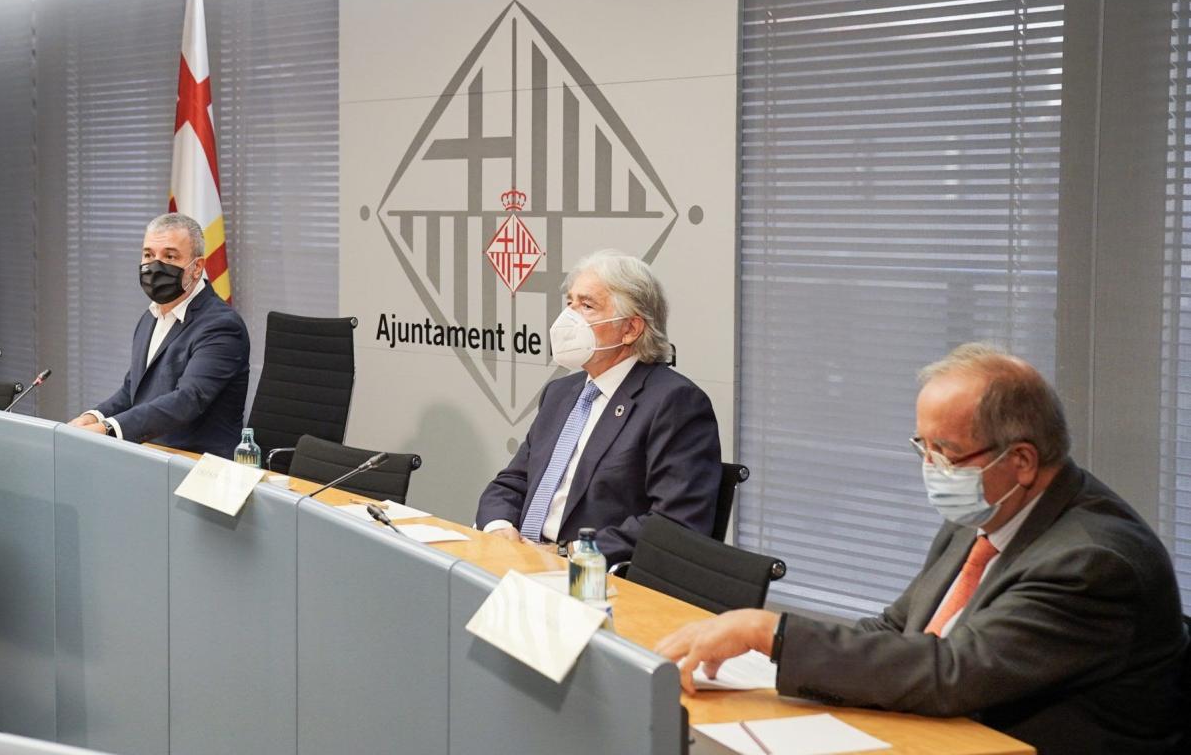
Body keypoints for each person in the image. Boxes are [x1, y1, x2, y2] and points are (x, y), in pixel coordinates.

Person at [655, 344, 1186, 755]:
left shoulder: (1093, 562)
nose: (931, 468)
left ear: (1021, 460)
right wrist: (770, 650)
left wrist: (769, 633)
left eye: (946, 451)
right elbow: (896, 631)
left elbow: (953, 672)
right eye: (922, 446)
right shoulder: (985, 509)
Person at [474, 250, 720, 567]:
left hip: (596, 579)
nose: (569, 319)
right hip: (523, 562)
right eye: (570, 304)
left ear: (631, 329)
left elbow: (675, 523)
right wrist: (500, 529)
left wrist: (570, 553)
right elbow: (511, 483)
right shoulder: (561, 393)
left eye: (587, 306)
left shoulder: (675, 403)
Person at [67, 212, 250, 456]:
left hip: (200, 468)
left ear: (197, 268)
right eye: (148, 255)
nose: (155, 265)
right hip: (151, 457)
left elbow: (188, 399)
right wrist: (93, 417)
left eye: (169, 256)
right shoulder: (150, 317)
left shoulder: (222, 326)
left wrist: (108, 429)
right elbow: (133, 389)